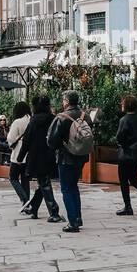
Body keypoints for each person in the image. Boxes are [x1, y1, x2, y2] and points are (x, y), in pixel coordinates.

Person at [49, 90, 90, 233]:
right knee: (74, 186)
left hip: (66, 157)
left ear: (66, 101)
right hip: (82, 156)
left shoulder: (61, 117)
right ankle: (77, 217)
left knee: (67, 188)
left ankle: (73, 222)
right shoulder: (85, 115)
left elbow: (51, 140)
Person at [19, 94, 62, 223]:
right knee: (43, 182)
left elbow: (26, 140)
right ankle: (34, 207)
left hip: (36, 157)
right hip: (50, 155)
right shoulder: (53, 119)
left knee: (44, 182)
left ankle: (54, 212)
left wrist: (21, 156)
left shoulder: (34, 120)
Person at [6, 101, 32, 210]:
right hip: (29, 154)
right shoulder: (32, 120)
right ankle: (27, 204)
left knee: (13, 178)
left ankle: (25, 199)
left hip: (18, 154)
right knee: (25, 179)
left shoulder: (17, 122)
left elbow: (11, 138)